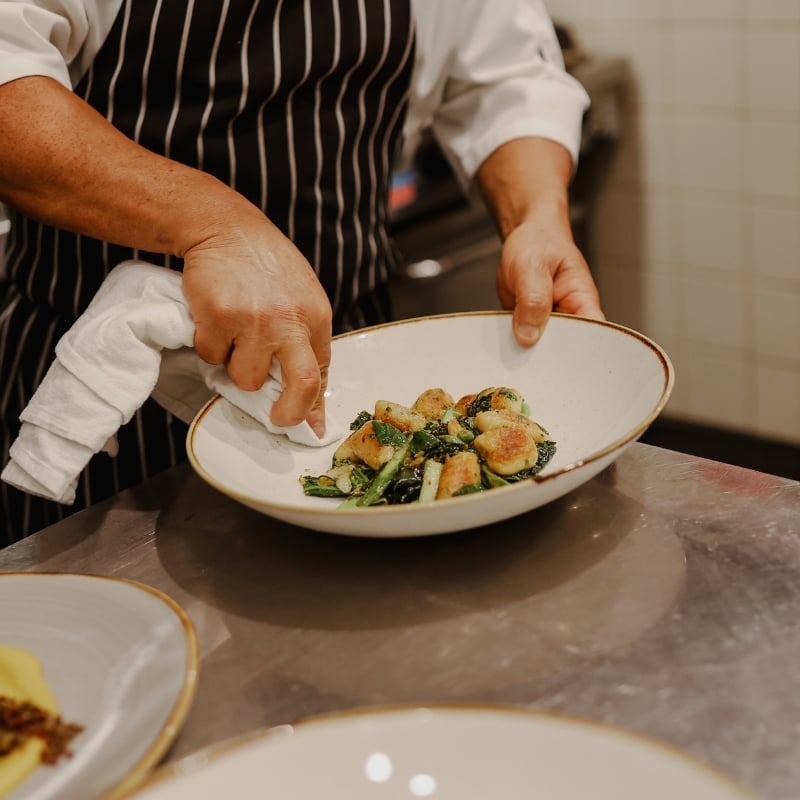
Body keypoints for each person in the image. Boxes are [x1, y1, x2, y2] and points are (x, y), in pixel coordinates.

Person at [0, 0, 603, 546]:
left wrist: (537, 216)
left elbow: (508, 84)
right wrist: (212, 221)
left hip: (348, 366)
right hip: (101, 391)